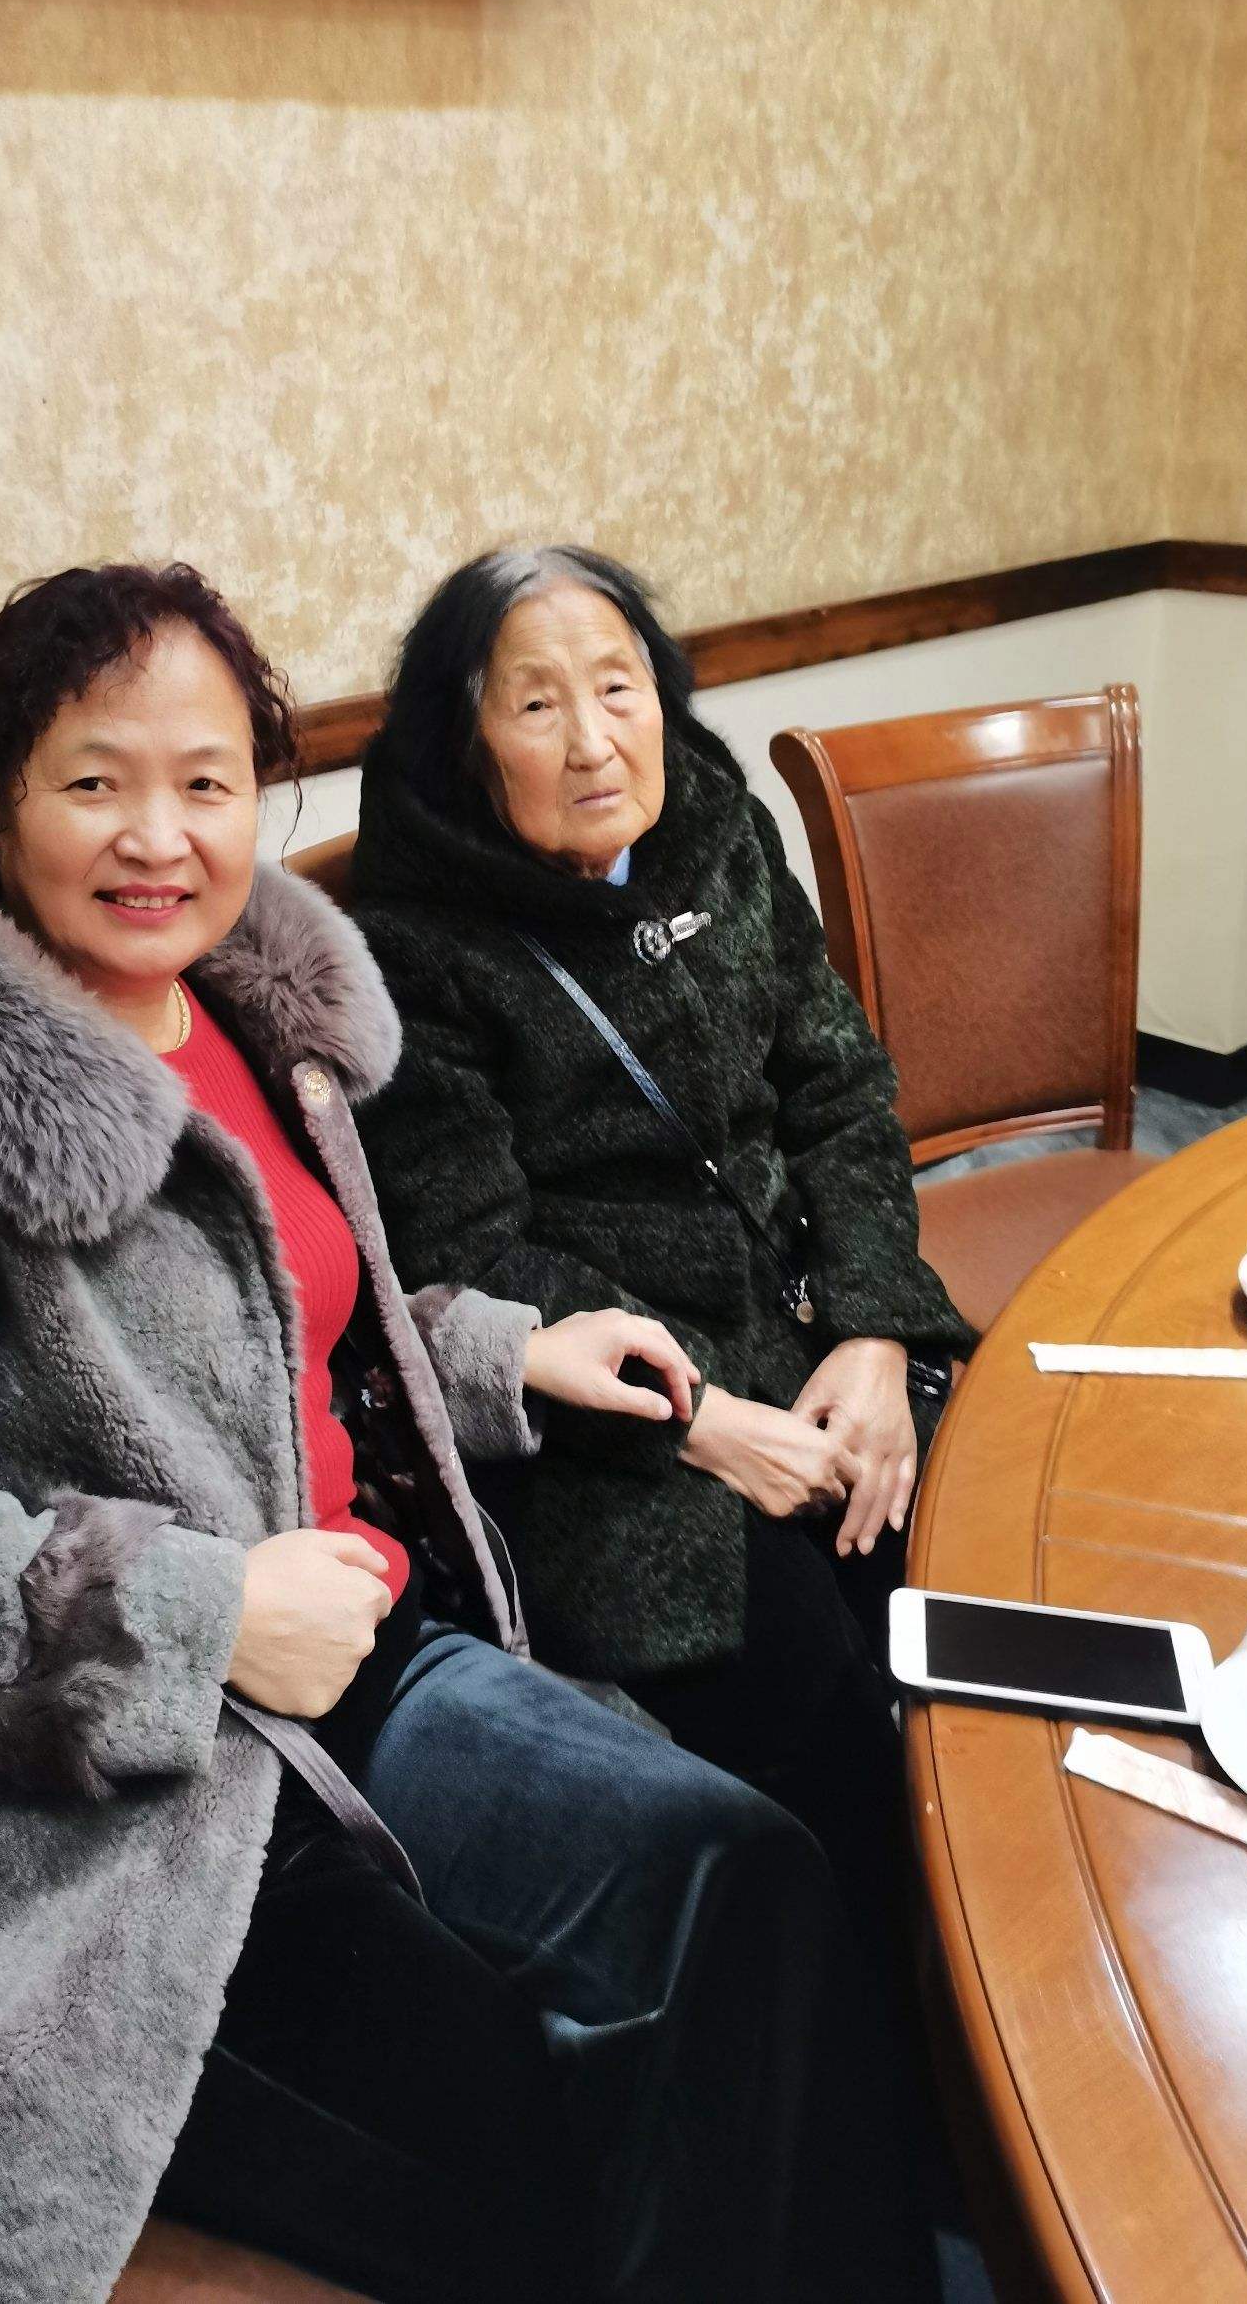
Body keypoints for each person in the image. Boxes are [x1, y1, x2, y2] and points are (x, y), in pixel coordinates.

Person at [0, 562, 937, 2304]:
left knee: (747, 1878)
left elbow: (298, 1340)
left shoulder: (251, 1018)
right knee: (535, 2124)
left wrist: (509, 1355)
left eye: (206, 782)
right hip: (104, 1799)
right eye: (94, 781)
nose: (157, 837)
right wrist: (203, 1615)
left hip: (360, 1653)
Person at [350, 545, 979, 1931]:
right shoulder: (408, 944)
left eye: (618, 687)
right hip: (614, 1419)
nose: (593, 741)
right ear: (465, 741)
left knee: (978, 1572)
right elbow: (467, 1251)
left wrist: (875, 1331)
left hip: (813, 1323)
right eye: (537, 705)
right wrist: (705, 1423)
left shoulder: (720, 830)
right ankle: (890, 2003)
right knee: (814, 1698)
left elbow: (840, 1091)